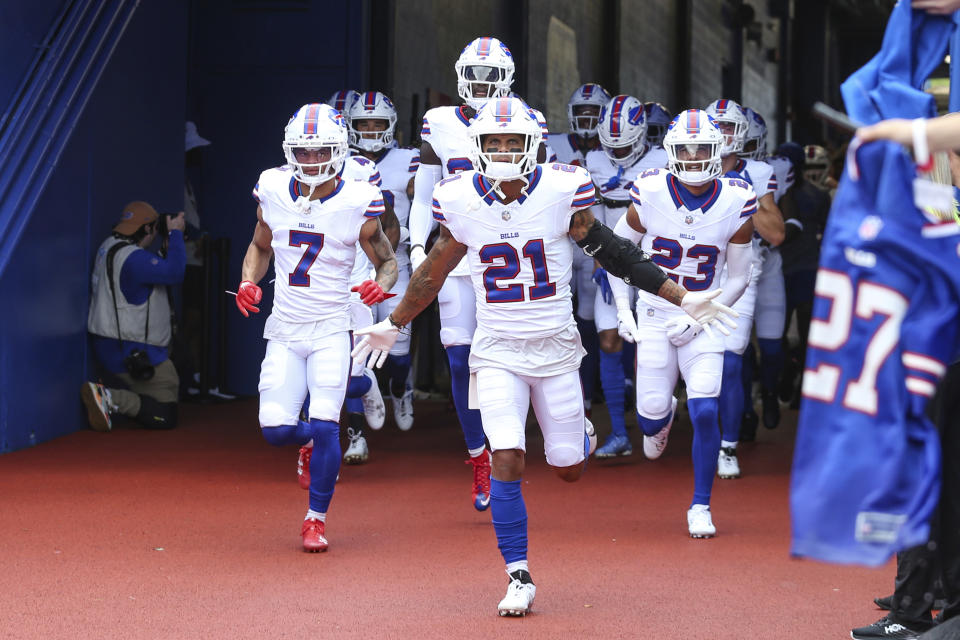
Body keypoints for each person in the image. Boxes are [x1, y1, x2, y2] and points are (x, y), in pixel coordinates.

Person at [352, 97, 739, 615]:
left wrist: (682, 295)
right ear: (480, 148)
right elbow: (435, 272)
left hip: (555, 351)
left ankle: (579, 435)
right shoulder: (461, 198)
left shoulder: (561, 191)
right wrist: (394, 322)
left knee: (568, 469)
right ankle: (518, 574)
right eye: (494, 142)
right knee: (506, 454)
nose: (505, 150)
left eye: (514, 141)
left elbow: (618, 254)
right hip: (497, 350)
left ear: (534, 145)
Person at [234, 103, 397, 552]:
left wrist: (379, 289)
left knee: (327, 425)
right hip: (285, 327)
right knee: (275, 430)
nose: (309, 161)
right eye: (301, 153)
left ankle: (315, 518)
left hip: (331, 325)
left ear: (339, 150)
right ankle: (349, 395)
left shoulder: (357, 199)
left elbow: (387, 261)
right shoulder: (271, 187)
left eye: (319, 151)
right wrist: (248, 281)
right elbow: (259, 244)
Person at [609, 108, 755, 537]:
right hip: (655, 314)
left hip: (704, 317)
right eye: (685, 152)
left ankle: (701, 505)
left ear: (719, 151)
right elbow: (616, 253)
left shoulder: (735, 198)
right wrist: (623, 309)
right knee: (651, 417)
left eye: (702, 151)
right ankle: (662, 418)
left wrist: (701, 317)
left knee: (706, 407)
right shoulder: (651, 190)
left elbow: (740, 275)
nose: (693, 160)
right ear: (669, 153)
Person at [407, 36, 517, 512]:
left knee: (510, 353)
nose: (480, 84)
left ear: (507, 79)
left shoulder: (522, 120)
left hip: (503, 252)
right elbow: (421, 194)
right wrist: (415, 247)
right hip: (452, 253)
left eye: (490, 76)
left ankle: (511, 439)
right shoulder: (441, 122)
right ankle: (479, 457)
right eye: (473, 75)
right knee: (458, 358)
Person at [702, 98, 784, 479]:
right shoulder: (683, 162)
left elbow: (777, 233)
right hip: (694, 268)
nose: (720, 135)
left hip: (739, 269)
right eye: (713, 127)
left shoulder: (759, 171)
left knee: (730, 360)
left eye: (727, 127)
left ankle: (728, 445)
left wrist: (743, 194)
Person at [585, 94, 668, 457]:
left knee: (653, 341)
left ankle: (657, 416)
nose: (617, 154)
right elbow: (591, 213)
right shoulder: (592, 161)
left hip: (652, 258)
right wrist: (597, 256)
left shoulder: (662, 160)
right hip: (611, 257)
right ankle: (618, 430)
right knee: (608, 339)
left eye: (625, 147)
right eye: (611, 147)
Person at [348, 91, 420, 430]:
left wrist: (413, 237)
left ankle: (398, 386)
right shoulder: (339, 159)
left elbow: (426, 206)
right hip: (352, 264)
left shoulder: (409, 160)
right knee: (356, 343)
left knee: (398, 347)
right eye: (365, 123)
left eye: (378, 123)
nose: (372, 129)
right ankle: (358, 417)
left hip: (398, 258)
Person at [82, 201, 186, 431]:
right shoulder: (135, 258)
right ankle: (110, 398)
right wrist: (177, 233)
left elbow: (140, 278)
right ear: (148, 229)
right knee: (165, 413)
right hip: (134, 351)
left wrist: (165, 251)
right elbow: (175, 272)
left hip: (107, 344)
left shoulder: (108, 247)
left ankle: (116, 397)